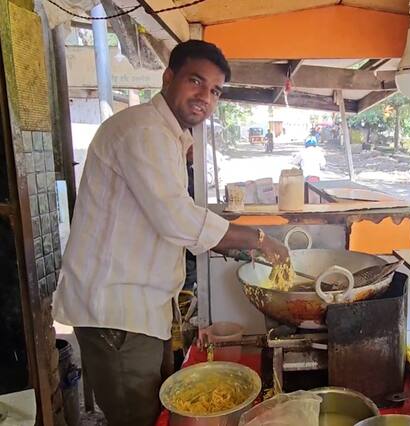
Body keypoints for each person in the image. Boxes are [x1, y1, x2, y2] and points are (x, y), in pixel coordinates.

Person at [52, 40, 289, 426]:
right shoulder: (144, 130)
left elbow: (169, 217)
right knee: (136, 418)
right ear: (168, 77)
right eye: (196, 81)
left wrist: (234, 248)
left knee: (154, 410)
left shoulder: (166, 135)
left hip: (139, 309)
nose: (205, 97)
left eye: (215, 90)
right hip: (118, 312)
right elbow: (176, 218)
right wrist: (258, 239)